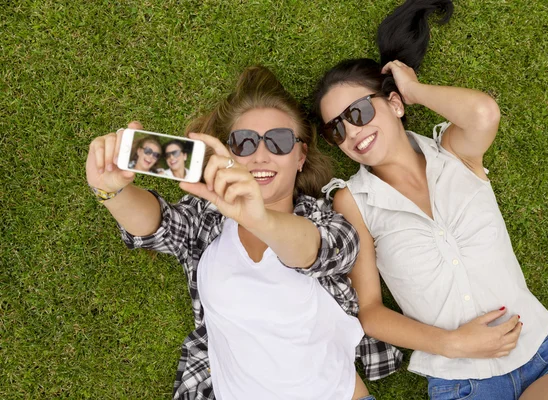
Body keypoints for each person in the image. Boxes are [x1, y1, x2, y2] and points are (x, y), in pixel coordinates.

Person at [314, 0, 548, 399]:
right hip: (462, 381)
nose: (351, 132)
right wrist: (453, 344)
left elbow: (484, 112)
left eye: (358, 112)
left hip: (542, 357)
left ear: (394, 104)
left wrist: (412, 89)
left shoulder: (455, 153)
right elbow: (372, 313)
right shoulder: (353, 201)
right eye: (336, 129)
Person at [85, 66, 401, 400]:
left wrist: (259, 218)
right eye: (244, 143)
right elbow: (157, 226)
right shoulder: (209, 221)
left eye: (279, 141)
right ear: (229, 154)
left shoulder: (327, 220)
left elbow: (323, 251)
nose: (261, 155)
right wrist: (112, 191)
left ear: (300, 156)